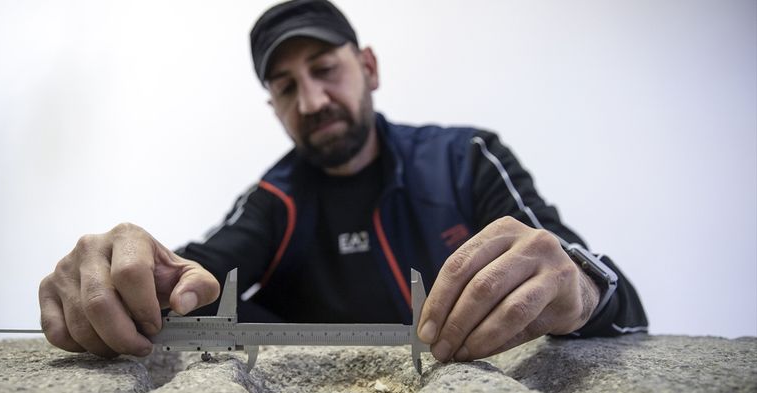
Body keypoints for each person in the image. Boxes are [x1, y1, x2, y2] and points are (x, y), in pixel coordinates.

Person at [38, 0, 648, 363]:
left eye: (325, 69)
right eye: (286, 87)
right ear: (274, 107)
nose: (312, 100)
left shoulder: (466, 157)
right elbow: (192, 274)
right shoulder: (274, 200)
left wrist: (578, 289)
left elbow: (605, 291)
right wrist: (123, 276)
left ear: (368, 67)